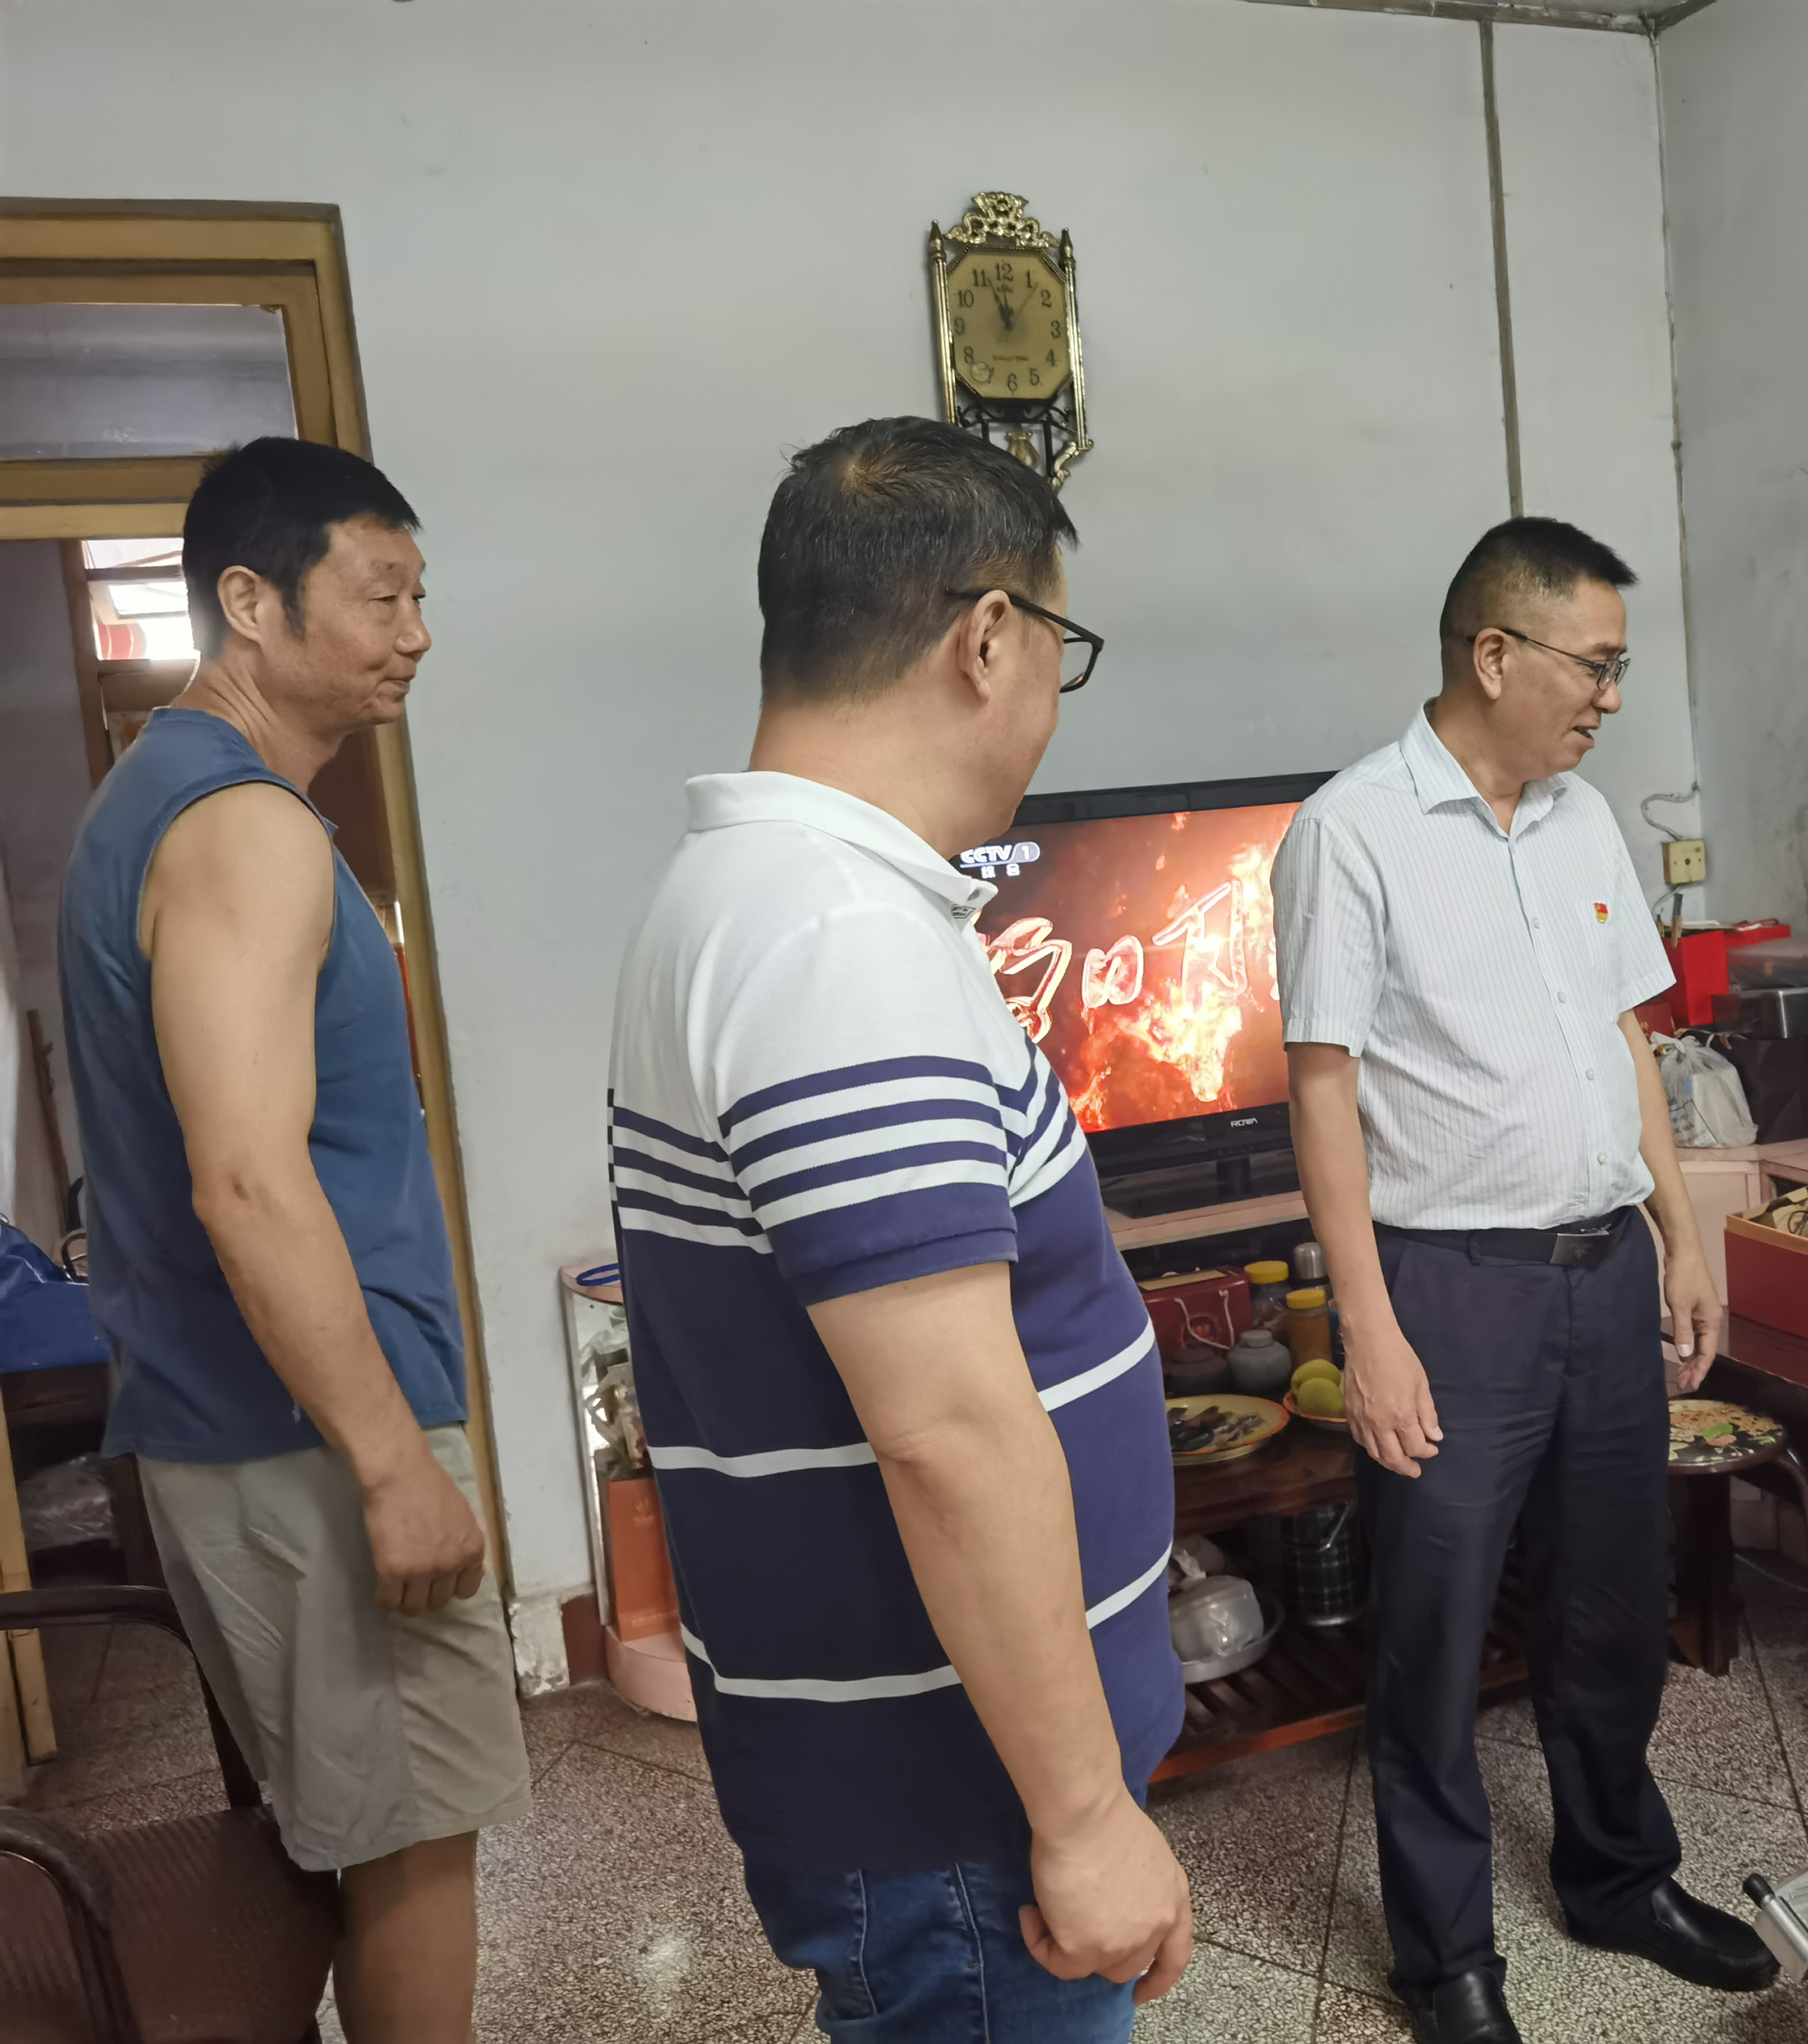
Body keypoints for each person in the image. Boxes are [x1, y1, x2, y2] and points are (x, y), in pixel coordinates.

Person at [607, 416, 1191, 2041]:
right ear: (987, 637)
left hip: (932, 1785)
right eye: (1059, 646)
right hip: (962, 1814)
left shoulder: (759, 893)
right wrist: (1082, 1814)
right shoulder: (832, 935)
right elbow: (945, 1431)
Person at [1274, 516, 1775, 2044]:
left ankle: (1618, 1877)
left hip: (1602, 1273)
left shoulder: (1577, 818)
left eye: (1619, 671)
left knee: (1613, 1602)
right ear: (1493, 654)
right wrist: (1368, 1328)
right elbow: (1320, 1091)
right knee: (1432, 1634)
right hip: (1451, 1289)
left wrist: (1678, 1237)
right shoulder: (1350, 834)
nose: (1610, 699)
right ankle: (1443, 1962)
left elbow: (1625, 1036)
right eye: (1593, 667)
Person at [57, 438, 529, 2044]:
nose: (415, 633)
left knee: (372, 1839)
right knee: (410, 1851)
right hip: (302, 1439)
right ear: (250, 603)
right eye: (381, 596)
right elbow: (250, 1186)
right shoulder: (242, 827)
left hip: (256, 1426)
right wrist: (393, 1465)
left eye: (420, 596)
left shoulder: (160, 799)